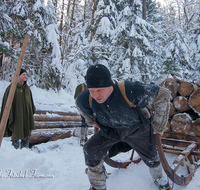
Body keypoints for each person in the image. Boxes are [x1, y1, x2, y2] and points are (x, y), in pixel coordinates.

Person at [76, 64, 171, 190]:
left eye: (99, 90)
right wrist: (91, 121)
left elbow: (163, 94)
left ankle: (158, 177)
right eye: (92, 91)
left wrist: (159, 126)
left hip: (137, 128)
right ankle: (98, 185)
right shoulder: (85, 98)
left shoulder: (131, 90)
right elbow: (81, 107)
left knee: (151, 156)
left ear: (110, 84)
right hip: (110, 130)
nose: (95, 95)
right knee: (90, 149)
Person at [0, 68, 36, 149]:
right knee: (16, 133)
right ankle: (15, 152)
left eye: (26, 74)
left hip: (26, 116)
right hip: (16, 115)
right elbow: (7, 104)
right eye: (23, 74)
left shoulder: (27, 89)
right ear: (18, 76)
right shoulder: (12, 88)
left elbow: (30, 102)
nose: (25, 76)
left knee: (26, 134)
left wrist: (31, 111)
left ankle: (25, 151)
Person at [74, 76, 89, 146]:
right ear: (85, 80)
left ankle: (86, 137)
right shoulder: (81, 87)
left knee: (88, 121)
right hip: (82, 107)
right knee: (84, 121)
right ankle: (82, 138)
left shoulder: (90, 87)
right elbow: (76, 97)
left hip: (89, 108)